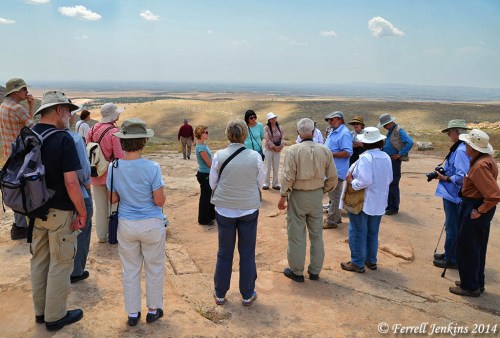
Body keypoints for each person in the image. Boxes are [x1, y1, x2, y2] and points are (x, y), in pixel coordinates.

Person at [31, 91, 87, 331]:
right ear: (58, 110)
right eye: (68, 111)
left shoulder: (29, 134)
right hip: (60, 211)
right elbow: (72, 182)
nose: (70, 115)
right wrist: (82, 212)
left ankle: (41, 312)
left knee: (39, 260)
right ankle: (55, 316)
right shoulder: (63, 139)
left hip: (35, 210)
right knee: (61, 262)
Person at [107, 118, 167, 325]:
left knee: (130, 269)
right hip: (151, 223)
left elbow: (113, 198)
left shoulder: (113, 167)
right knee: (154, 267)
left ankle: (132, 313)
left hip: (126, 223)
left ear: (122, 142)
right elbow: (159, 201)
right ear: (143, 142)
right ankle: (153, 310)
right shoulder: (152, 167)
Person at [209, 119, 264, 306]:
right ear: (244, 135)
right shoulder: (255, 156)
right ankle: (247, 293)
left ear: (227, 134)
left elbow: (212, 183)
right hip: (248, 208)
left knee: (224, 252)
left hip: (224, 209)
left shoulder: (219, 155)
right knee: (247, 252)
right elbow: (259, 182)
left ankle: (220, 293)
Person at [278, 118, 338, 282]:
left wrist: (283, 195)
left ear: (298, 133)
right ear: (313, 132)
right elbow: (333, 177)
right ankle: (315, 271)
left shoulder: (293, 150)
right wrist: (321, 190)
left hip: (298, 195)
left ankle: (297, 271)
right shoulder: (325, 150)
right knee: (317, 234)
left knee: (296, 234)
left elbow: (288, 176)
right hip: (316, 196)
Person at [449, 129, 500, 297]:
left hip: (474, 206)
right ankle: (474, 281)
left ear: (474, 148)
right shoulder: (486, 159)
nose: (465, 147)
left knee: (467, 247)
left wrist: (479, 210)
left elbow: (493, 195)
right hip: (476, 205)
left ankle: (470, 286)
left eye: (467, 144)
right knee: (477, 247)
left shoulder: (479, 166)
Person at [340, 127, 393, 273]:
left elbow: (364, 181)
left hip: (363, 201)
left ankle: (357, 262)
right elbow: (389, 179)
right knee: (372, 231)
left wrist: (352, 182)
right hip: (379, 201)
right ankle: (371, 259)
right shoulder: (386, 157)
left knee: (357, 231)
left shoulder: (366, 158)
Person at [0, 78, 35, 240]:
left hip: (8, 154)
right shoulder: (17, 108)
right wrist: (31, 106)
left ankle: (19, 225)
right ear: (15, 92)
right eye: (24, 89)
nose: (26, 92)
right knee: (24, 191)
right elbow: (32, 127)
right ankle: (21, 227)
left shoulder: (4, 106)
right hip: (21, 156)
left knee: (15, 190)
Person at [432, 120, 470, 269]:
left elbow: (462, 175)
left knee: (452, 226)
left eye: (450, 132)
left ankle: (451, 259)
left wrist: (445, 178)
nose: (448, 135)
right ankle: (450, 253)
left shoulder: (460, 150)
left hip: (454, 195)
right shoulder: (460, 148)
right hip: (452, 194)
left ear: (456, 132)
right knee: (451, 225)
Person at [87, 103, 124, 243]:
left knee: (100, 206)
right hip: (111, 173)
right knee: (114, 204)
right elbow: (119, 155)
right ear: (112, 114)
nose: (119, 115)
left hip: (95, 171)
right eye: (117, 113)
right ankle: (113, 235)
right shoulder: (114, 131)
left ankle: (102, 236)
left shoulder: (93, 128)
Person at [66, 123, 93, 284]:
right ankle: (76, 271)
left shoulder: (35, 135)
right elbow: (83, 170)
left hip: (47, 197)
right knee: (82, 232)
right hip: (78, 192)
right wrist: (87, 184)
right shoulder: (74, 138)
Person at [378, 113, 414, 215]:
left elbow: (410, 142)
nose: (384, 127)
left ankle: (393, 207)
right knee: (389, 183)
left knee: (393, 183)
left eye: (385, 125)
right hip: (389, 159)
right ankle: (389, 205)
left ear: (390, 122)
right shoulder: (391, 131)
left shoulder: (399, 130)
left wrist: (400, 154)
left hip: (394, 160)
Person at [323, 111, 353, 228]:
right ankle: (337, 217)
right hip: (331, 169)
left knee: (335, 197)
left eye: (332, 120)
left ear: (340, 120)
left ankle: (331, 221)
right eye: (329, 120)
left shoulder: (344, 133)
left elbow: (348, 152)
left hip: (337, 171)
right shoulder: (334, 132)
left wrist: (330, 154)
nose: (330, 122)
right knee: (334, 196)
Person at [195, 124, 215, 225]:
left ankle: (210, 215)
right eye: (205, 132)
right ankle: (203, 219)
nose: (207, 134)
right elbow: (209, 163)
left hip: (206, 173)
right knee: (205, 197)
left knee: (209, 195)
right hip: (205, 174)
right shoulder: (201, 148)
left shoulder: (203, 145)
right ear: (200, 133)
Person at [263, 112, 285, 190]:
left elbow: (282, 138)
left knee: (276, 167)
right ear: (269, 120)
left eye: (274, 118)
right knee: (267, 167)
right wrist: (274, 147)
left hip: (277, 150)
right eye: (272, 118)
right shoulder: (266, 128)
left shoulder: (280, 127)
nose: (274, 119)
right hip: (269, 150)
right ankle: (266, 183)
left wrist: (280, 146)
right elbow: (267, 139)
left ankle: (275, 184)